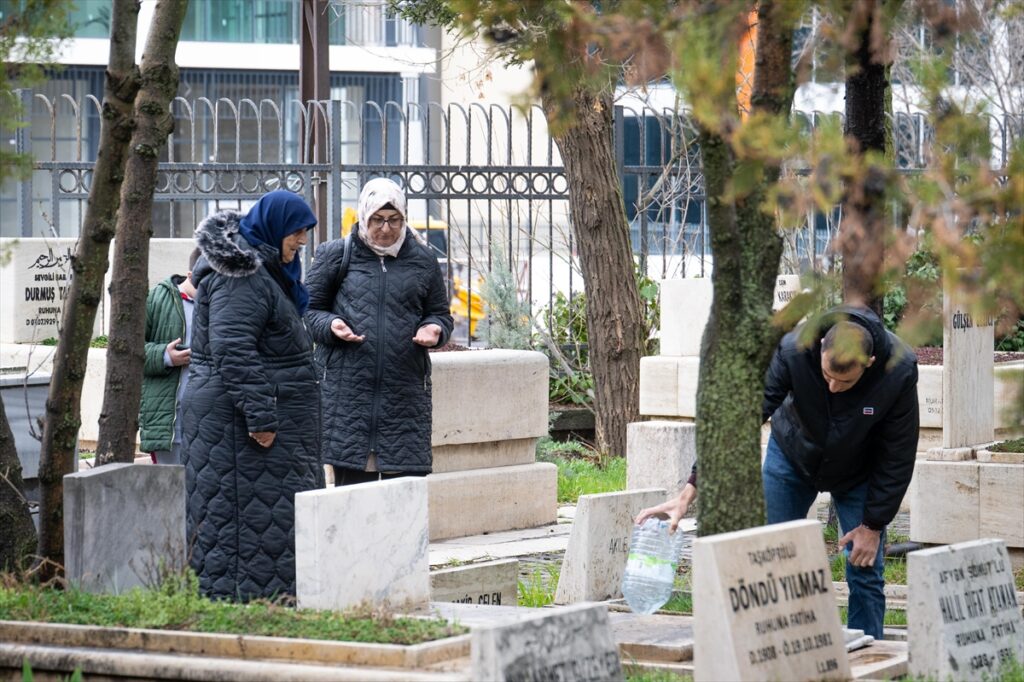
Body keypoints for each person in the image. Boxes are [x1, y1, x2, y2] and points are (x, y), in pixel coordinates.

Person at [636, 306, 919, 639]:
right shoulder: (794, 349)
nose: (831, 387)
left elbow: (898, 454)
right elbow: (741, 420)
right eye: (826, 375)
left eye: (844, 382)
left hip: (860, 468)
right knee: (771, 558)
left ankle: (870, 657)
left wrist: (873, 525)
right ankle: (777, 652)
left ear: (869, 364)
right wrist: (689, 490)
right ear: (821, 349)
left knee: (864, 567)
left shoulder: (898, 370)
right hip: (792, 456)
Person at [181, 190, 323, 601]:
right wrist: (261, 417)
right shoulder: (240, 277)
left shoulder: (263, 270)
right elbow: (231, 347)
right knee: (246, 533)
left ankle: (270, 607)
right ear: (273, 229)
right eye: (296, 232)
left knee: (269, 529)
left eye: (305, 233)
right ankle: (248, 614)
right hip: (242, 430)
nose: (301, 242)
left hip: (263, 428)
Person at [305, 178, 453, 485]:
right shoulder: (336, 254)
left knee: (405, 496)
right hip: (348, 397)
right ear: (363, 216)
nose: (386, 229)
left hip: (405, 397)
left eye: (394, 220)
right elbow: (308, 310)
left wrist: (433, 328)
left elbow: (440, 313)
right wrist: (332, 326)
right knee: (354, 499)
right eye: (377, 220)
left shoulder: (423, 259)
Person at [140, 248, 200, 465]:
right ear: (191, 275)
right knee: (170, 490)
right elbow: (128, 353)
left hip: (209, 421)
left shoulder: (222, 304)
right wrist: (165, 356)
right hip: (168, 424)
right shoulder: (157, 299)